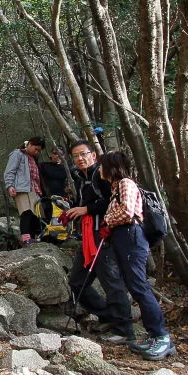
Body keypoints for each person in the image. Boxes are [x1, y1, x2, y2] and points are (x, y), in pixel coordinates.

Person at [99, 150, 175, 361]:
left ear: (110, 167)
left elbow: (127, 212)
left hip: (131, 236)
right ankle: (153, 335)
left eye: (102, 165)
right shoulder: (116, 188)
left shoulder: (125, 183)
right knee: (135, 285)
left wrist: (107, 219)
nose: (99, 170)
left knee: (139, 286)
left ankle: (162, 337)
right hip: (123, 238)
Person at [61, 141, 134, 344]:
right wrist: (72, 212)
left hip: (105, 236)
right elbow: (84, 204)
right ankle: (108, 316)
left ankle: (125, 329)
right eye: (75, 156)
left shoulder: (100, 175)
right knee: (77, 280)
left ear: (93, 155)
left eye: (84, 154)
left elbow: (113, 202)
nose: (80, 159)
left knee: (111, 280)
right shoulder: (79, 177)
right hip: (87, 236)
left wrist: (87, 210)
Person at [3, 136, 46, 245]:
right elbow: (10, 171)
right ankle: (26, 238)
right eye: (35, 149)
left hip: (34, 189)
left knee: (35, 215)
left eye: (39, 151)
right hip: (22, 188)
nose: (37, 152)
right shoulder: (18, 154)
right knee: (26, 212)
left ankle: (32, 238)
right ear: (29, 144)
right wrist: (10, 186)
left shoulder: (33, 158)